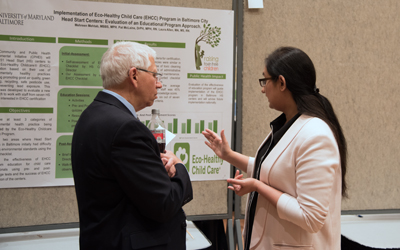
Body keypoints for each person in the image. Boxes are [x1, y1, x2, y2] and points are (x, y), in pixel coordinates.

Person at [202, 46, 347, 250]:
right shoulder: (290, 124)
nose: (262, 89)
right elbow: (273, 171)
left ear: (281, 82)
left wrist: (257, 187)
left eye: (265, 81)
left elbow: (310, 218)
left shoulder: (315, 134)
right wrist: (228, 155)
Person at [71, 41, 193, 250]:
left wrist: (155, 170)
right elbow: (164, 204)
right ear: (134, 75)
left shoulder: (92, 114)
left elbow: (125, 185)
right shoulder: (126, 128)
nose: (159, 84)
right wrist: (179, 167)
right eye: (155, 75)